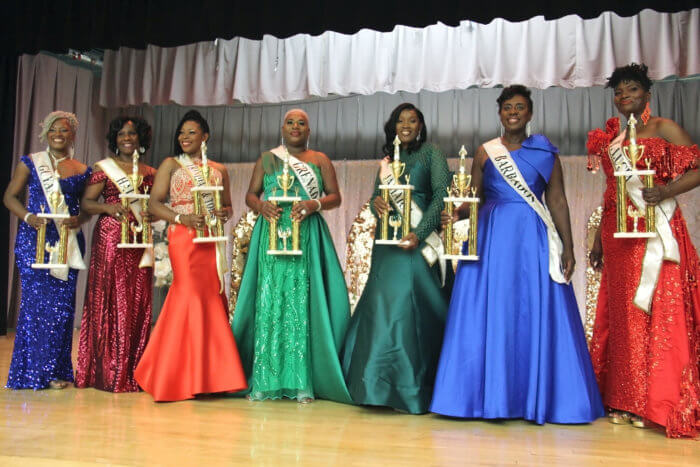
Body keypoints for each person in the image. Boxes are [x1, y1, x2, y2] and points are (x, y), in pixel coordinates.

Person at [430, 85, 604, 424]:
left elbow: (557, 200)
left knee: (530, 309)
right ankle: (479, 398)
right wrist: (459, 212)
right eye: (508, 107)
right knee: (488, 310)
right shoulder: (485, 152)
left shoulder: (545, 153)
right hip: (491, 237)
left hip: (532, 238)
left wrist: (568, 246)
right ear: (499, 113)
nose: (513, 112)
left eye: (520, 107)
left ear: (530, 113)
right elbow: (477, 198)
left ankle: (535, 399)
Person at [587, 63, 700, 437]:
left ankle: (656, 400)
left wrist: (666, 192)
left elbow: (698, 168)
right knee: (622, 317)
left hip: (657, 232)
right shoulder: (611, 138)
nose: (625, 98)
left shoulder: (664, 128)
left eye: (632, 90)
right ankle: (623, 398)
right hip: (619, 236)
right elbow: (609, 191)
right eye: (619, 93)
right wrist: (597, 240)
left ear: (647, 93)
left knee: (656, 309)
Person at [231, 109, 352, 403]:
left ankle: (301, 380)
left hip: (307, 233)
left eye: (301, 123)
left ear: (309, 130)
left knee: (302, 301)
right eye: (290, 122)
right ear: (281, 129)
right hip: (271, 232)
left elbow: (335, 197)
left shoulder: (320, 160)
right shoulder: (267, 159)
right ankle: (266, 378)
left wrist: (314, 204)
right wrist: (261, 207)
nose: (295, 127)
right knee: (270, 300)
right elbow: (250, 195)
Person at [341, 103, 452, 414]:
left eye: (412, 120)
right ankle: (373, 386)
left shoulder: (432, 153)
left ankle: (411, 387)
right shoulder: (388, 162)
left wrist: (420, 232)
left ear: (421, 125)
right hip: (388, 243)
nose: (406, 125)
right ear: (392, 126)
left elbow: (441, 195)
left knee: (411, 305)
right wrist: (376, 200)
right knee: (381, 303)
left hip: (418, 240)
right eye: (400, 121)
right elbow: (381, 195)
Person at [133, 110, 246, 401]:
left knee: (210, 297)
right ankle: (174, 373)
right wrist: (182, 219)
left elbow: (229, 206)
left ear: (205, 136)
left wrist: (224, 213)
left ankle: (209, 376)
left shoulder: (219, 169)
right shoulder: (170, 164)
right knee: (188, 294)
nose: (185, 137)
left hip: (210, 238)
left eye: (192, 132)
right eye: (182, 133)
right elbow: (155, 205)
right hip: (183, 237)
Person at [3, 111, 90, 390]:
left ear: (72, 135)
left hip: (67, 240)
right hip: (35, 238)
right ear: (45, 133)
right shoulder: (31, 163)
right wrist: (28, 217)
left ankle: (56, 370)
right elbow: (9, 197)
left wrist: (82, 219)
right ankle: (32, 371)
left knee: (62, 310)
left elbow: (86, 208)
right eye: (53, 129)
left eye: (64, 130)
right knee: (35, 306)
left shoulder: (81, 169)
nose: (58, 134)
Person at [76, 116, 156, 392]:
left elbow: (157, 206)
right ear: (115, 138)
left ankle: (135, 369)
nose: (126, 138)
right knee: (111, 298)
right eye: (121, 133)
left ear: (140, 138)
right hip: (111, 237)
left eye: (132, 134)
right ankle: (107, 370)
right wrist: (109, 208)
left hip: (139, 239)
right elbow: (86, 203)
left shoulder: (151, 172)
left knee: (138, 299)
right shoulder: (104, 168)